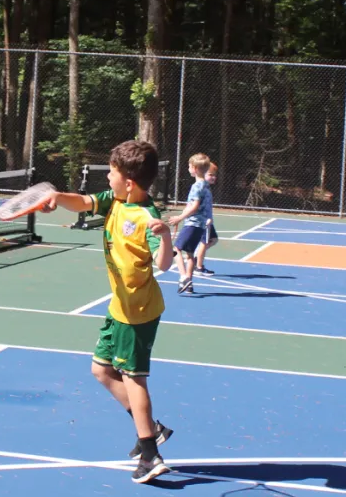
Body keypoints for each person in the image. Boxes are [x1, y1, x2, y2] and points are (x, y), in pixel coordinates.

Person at [43, 140, 176, 484]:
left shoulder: (146, 217)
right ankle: (151, 428)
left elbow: (164, 264)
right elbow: (83, 202)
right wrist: (57, 198)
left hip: (139, 312)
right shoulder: (114, 201)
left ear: (129, 182)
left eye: (113, 173)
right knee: (101, 371)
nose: (109, 178)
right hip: (118, 306)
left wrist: (166, 238)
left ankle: (150, 454)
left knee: (134, 378)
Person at [167, 153, 213, 294]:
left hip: (192, 224)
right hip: (199, 225)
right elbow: (198, 205)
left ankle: (184, 278)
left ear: (194, 168)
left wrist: (179, 218)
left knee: (175, 250)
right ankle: (190, 284)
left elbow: (194, 206)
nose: (188, 168)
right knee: (190, 254)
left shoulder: (196, 186)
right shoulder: (206, 186)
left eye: (189, 166)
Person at [193, 162, 220, 276]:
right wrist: (205, 219)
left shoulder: (207, 188)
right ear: (202, 174)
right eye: (210, 174)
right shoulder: (201, 188)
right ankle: (198, 267)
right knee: (204, 242)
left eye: (214, 175)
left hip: (207, 219)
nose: (213, 177)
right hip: (203, 221)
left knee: (213, 239)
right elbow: (196, 204)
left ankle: (196, 255)